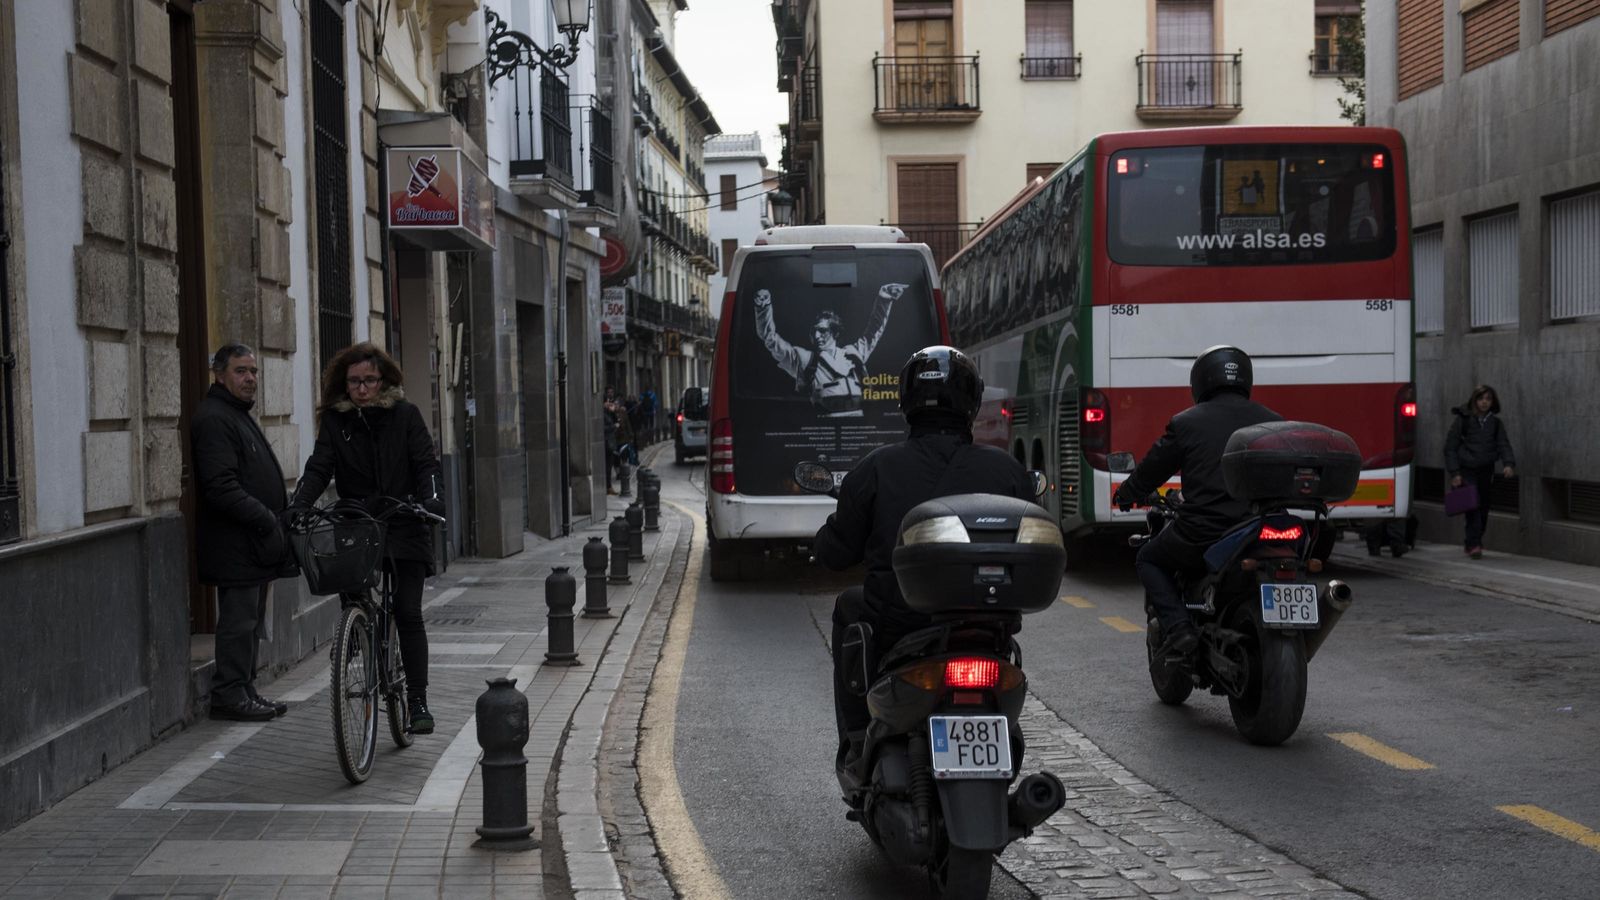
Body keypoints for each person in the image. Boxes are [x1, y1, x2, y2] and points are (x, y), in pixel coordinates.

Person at [813, 346, 1034, 764]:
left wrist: (829, 535)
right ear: (972, 403)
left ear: (906, 402)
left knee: (849, 605)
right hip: (986, 623)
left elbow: (836, 553)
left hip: (900, 622)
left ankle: (858, 739)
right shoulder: (1007, 470)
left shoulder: (876, 468)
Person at [290, 343, 444, 734]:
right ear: (345, 383)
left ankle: (418, 699)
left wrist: (432, 500)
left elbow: (426, 463)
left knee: (407, 612)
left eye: (369, 380)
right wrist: (299, 504)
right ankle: (357, 634)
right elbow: (318, 468)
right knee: (353, 591)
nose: (362, 388)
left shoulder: (405, 416)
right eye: (355, 381)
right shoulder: (336, 423)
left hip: (405, 519)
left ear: (384, 381)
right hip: (359, 523)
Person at [1112, 346, 1282, 665]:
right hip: (1260, 528)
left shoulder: (1186, 423)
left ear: (1201, 380)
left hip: (1205, 531)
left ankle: (1180, 629)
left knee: (1148, 558)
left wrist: (1126, 492)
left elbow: (1152, 469)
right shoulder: (1272, 422)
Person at [191, 343, 298, 722]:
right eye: (241, 371)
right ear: (219, 375)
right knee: (237, 623)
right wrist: (266, 518)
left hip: (254, 545)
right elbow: (220, 487)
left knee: (250, 622)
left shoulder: (237, 413)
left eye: (253, 371)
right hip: (236, 544)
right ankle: (229, 694)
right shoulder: (215, 418)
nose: (250, 378)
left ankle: (245, 689)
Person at [753, 282, 905, 416]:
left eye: (823, 331)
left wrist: (885, 297)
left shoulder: (853, 353)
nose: (817, 336)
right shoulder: (804, 359)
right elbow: (770, 339)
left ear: (835, 332)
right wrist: (763, 307)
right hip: (823, 430)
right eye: (814, 331)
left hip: (858, 427)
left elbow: (874, 329)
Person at [1445, 384, 1515, 560]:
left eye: (1488, 399)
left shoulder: (1495, 423)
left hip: (1486, 469)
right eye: (1481, 399)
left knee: (1483, 507)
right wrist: (1455, 473)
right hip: (1467, 469)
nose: (1484, 402)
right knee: (1473, 506)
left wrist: (1508, 464)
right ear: (1474, 400)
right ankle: (1474, 544)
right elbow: (1450, 448)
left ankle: (1473, 541)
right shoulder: (1464, 420)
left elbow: (1503, 444)